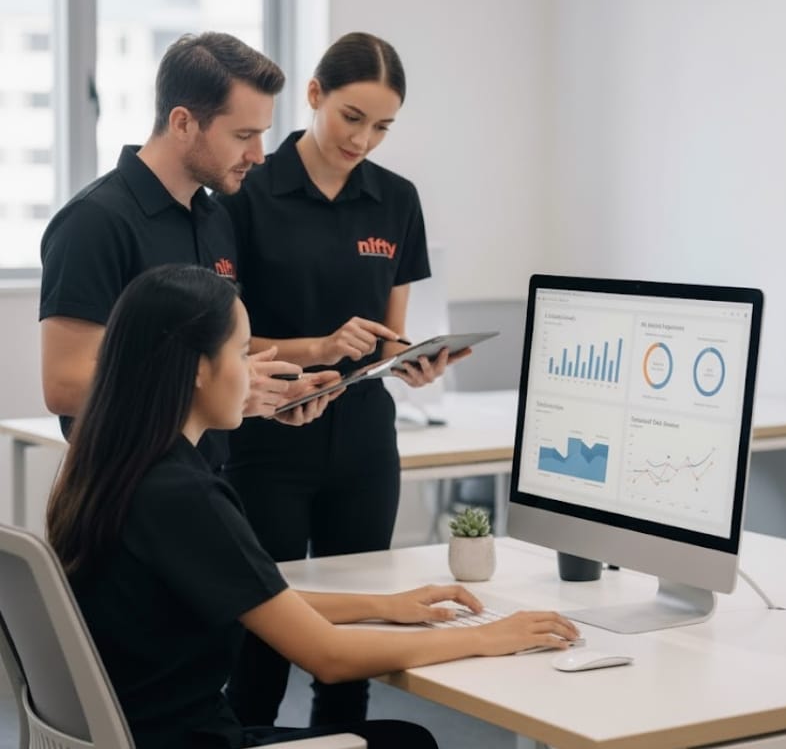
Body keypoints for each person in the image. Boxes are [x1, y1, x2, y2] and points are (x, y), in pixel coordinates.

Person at [45, 264, 579, 749]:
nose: (255, 368)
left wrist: (387, 604)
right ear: (197, 370)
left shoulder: (110, 464)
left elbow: (257, 594)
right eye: (241, 352)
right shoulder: (184, 493)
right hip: (191, 739)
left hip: (144, 731)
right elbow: (328, 656)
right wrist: (488, 638)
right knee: (405, 741)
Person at [215, 31, 468, 727]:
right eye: (352, 117)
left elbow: (391, 333)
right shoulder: (249, 190)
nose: (364, 139)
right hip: (266, 436)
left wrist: (414, 361)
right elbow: (223, 343)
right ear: (315, 95)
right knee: (263, 640)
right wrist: (317, 346)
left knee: (357, 641)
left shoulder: (396, 199)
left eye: (382, 126)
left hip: (362, 444)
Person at [39, 32, 336, 469]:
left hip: (203, 480)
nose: (258, 155)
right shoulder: (93, 222)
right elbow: (65, 386)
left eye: (262, 135)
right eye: (243, 135)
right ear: (182, 123)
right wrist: (224, 389)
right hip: (126, 494)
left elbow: (205, 359)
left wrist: (265, 395)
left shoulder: (215, 218)